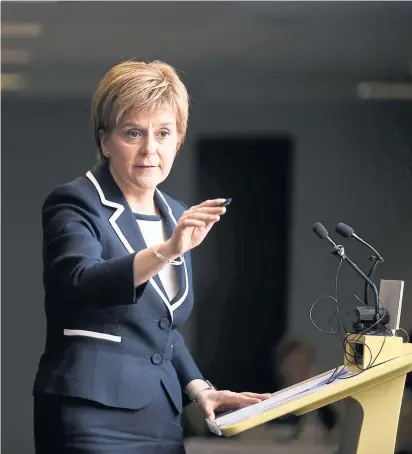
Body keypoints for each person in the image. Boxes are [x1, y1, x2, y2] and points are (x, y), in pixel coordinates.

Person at [32, 60, 270, 454]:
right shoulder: (76, 202)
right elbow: (79, 281)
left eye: (163, 133)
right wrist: (167, 251)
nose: (150, 149)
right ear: (105, 141)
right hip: (89, 416)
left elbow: (160, 325)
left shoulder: (176, 213)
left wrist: (199, 389)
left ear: (178, 140)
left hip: (160, 419)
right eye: (133, 133)